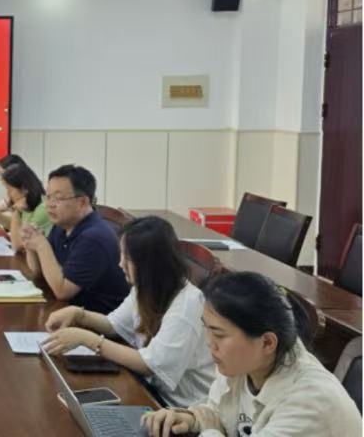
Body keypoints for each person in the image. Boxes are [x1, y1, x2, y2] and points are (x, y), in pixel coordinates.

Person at [143, 271, 361, 436]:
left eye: (218, 334)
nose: (210, 343)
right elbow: (219, 413)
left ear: (267, 343)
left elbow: (216, 427)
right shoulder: (246, 363)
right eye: (206, 328)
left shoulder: (309, 402)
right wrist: (190, 418)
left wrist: (208, 431)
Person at [43, 216, 215, 407]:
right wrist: (79, 314)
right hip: (151, 391)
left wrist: (89, 340)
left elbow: (149, 365)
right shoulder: (146, 286)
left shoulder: (187, 305)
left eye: (128, 259)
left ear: (150, 263)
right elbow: (113, 325)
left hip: (180, 407)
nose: (120, 264)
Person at [20, 164, 128, 313]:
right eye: (48, 197)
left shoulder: (94, 237)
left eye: (58, 198)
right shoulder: (61, 226)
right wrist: (30, 244)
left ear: (82, 202)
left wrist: (41, 246)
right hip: (68, 311)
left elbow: (63, 291)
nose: (49, 205)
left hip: (97, 320)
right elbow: (39, 273)